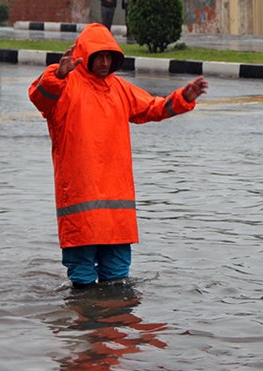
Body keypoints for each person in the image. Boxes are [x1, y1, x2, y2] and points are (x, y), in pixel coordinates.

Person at [28, 23, 209, 289]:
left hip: (116, 206)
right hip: (81, 199)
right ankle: (89, 326)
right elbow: (39, 97)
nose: (104, 62)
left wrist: (183, 97)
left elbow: (153, 108)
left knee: (118, 280)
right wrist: (58, 73)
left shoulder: (120, 88)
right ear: (84, 55)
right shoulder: (64, 84)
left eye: (108, 56)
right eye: (98, 56)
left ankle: (110, 327)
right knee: (82, 280)